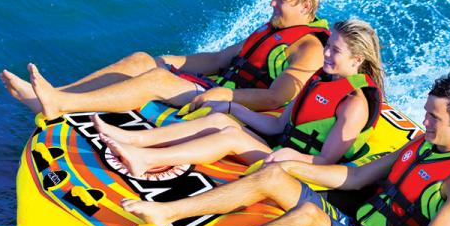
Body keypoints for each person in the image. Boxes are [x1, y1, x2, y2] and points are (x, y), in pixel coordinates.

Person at [119, 75, 450, 226]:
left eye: (433, 118)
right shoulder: (421, 144)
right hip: (351, 221)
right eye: (425, 113)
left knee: (308, 215)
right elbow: (356, 177)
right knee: (273, 175)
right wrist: (295, 168)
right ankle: (166, 212)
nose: (424, 122)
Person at [0, 0, 329, 118]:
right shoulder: (272, 28)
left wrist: (226, 96)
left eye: (280, 0)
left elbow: (277, 97)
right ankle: (55, 96)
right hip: (219, 88)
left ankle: (61, 105)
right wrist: (170, 61)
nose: (271, 4)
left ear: (305, 6)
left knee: (157, 80)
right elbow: (219, 60)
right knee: (144, 60)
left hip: (239, 106)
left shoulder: (309, 47)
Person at [94, 18, 384, 177]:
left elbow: (325, 161)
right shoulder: (320, 79)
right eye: (328, 45)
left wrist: (293, 156)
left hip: (304, 168)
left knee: (231, 137)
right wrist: (232, 107)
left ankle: (146, 158)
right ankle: (133, 139)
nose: (326, 53)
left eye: (335, 50)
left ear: (357, 60)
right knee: (222, 119)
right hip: (281, 148)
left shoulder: (354, 102)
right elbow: (276, 126)